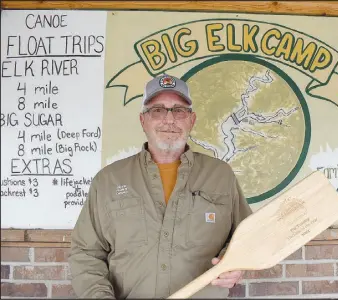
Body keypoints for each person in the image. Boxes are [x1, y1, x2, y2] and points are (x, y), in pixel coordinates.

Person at [68, 74, 253, 298]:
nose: (169, 119)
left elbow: (249, 237)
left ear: (191, 120)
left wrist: (235, 264)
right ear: (143, 120)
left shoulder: (221, 175)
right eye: (158, 110)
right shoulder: (108, 180)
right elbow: (86, 253)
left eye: (179, 110)